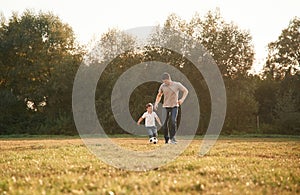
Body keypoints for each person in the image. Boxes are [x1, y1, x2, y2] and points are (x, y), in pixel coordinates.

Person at [154, 72, 188, 144]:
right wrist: (156, 103)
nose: (165, 83)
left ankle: (173, 138)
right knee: (164, 124)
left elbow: (185, 91)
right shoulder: (162, 86)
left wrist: (182, 99)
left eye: (166, 81)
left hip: (174, 106)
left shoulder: (177, 84)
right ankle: (166, 139)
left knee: (172, 121)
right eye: (164, 82)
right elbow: (159, 95)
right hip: (165, 106)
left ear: (169, 79)